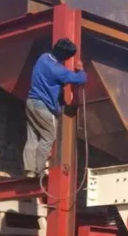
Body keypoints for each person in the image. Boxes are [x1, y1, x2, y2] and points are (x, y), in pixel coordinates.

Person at [23, 38, 87, 177]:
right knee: (49, 136)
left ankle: (29, 169)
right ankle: (40, 171)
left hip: (31, 102)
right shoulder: (59, 71)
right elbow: (79, 79)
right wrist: (81, 70)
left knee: (32, 136)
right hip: (43, 106)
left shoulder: (43, 57)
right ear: (65, 57)